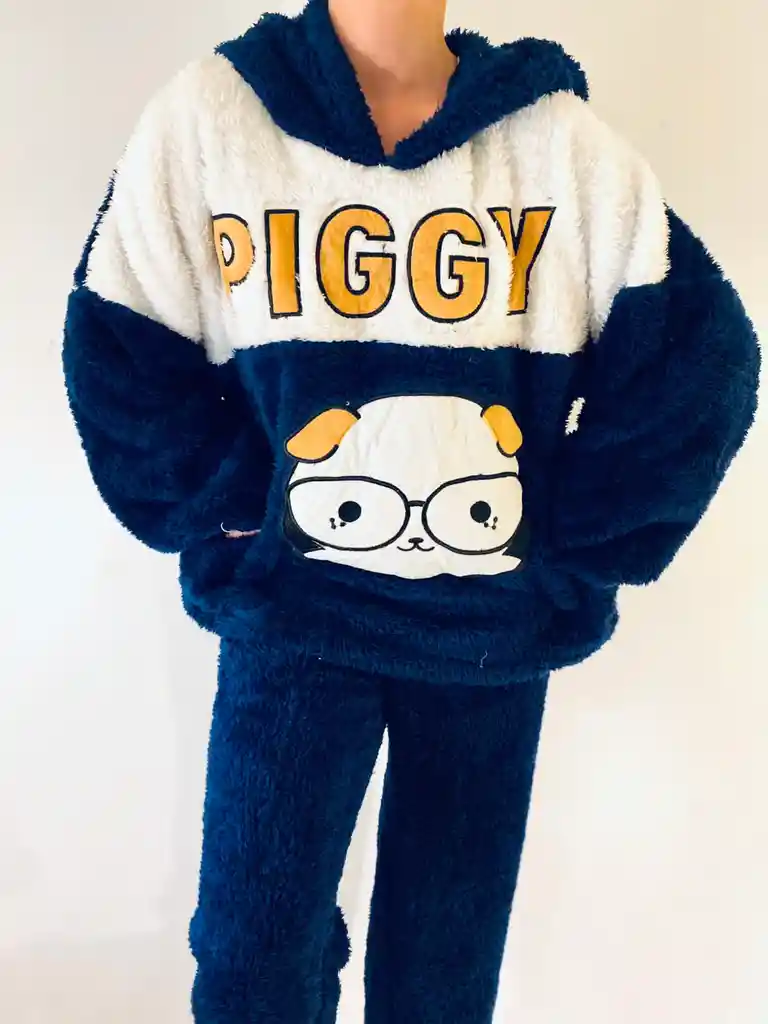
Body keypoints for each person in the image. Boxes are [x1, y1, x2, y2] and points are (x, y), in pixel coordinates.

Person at [62, 0, 760, 1020]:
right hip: (294, 625)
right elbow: (119, 336)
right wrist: (222, 502)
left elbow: (701, 359)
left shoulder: (555, 146)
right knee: (254, 959)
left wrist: (578, 536)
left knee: (443, 976)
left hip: (485, 639)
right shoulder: (217, 116)